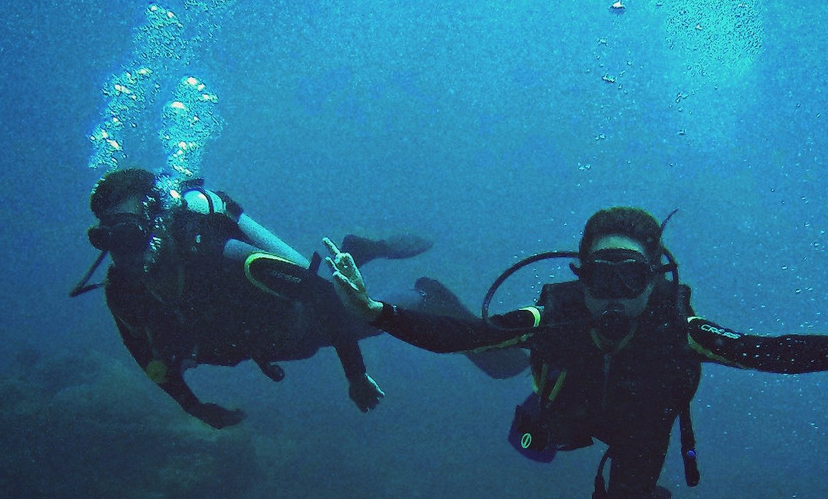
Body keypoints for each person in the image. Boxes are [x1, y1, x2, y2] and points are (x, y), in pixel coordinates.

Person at [324, 206, 828, 499]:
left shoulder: (679, 330)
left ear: (655, 281)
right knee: (497, 356)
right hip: (568, 413)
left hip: (640, 434)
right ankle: (432, 297)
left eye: (630, 277)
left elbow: (767, 351)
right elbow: (469, 337)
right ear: (580, 275)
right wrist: (378, 313)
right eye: (599, 276)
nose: (612, 294)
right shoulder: (553, 318)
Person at [72, 168, 527, 428]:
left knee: (365, 316)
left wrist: (356, 376)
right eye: (104, 236)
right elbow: (143, 354)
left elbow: (316, 291)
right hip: (262, 340)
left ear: (153, 220)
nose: (121, 249)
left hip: (305, 322)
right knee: (336, 294)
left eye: (129, 232)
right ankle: (357, 252)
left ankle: (424, 293)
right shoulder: (124, 292)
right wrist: (193, 407)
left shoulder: (223, 255)